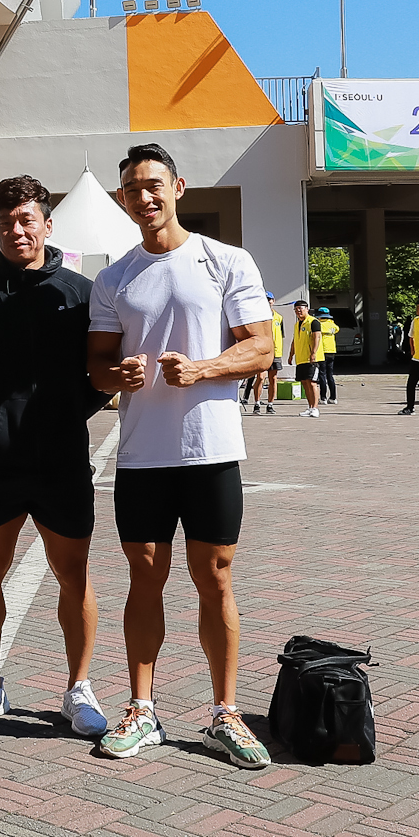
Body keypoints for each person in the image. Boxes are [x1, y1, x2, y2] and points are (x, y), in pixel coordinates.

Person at [85, 143, 275, 770]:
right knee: (145, 578)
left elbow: (262, 349)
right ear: (123, 199)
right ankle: (142, 709)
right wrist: (120, 376)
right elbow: (96, 367)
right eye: (132, 189)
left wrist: (202, 368)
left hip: (212, 451)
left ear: (179, 187)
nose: (144, 197)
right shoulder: (114, 279)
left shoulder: (226, 261)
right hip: (142, 456)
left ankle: (226, 713)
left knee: (215, 576)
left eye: (154, 184)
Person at [0, 175, 111, 736]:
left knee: (74, 576)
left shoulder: (81, 293)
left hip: (61, 462)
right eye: (6, 221)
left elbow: (102, 372)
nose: (16, 230)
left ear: (47, 224)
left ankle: (77, 688)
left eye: (26, 219)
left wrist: (69, 411)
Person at [241, 292, 282, 415]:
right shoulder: (257, 316)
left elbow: (281, 335)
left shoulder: (279, 317)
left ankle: (270, 404)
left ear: (273, 301)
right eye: (265, 299)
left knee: (273, 379)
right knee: (260, 377)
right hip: (262, 351)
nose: (267, 301)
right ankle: (257, 403)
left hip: (276, 351)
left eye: (269, 299)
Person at [287, 299, 320, 416]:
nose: (298, 311)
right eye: (296, 309)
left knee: (312, 383)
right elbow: (294, 341)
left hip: (311, 359)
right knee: (305, 383)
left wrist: (313, 353)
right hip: (300, 358)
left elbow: (317, 338)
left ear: (306, 309)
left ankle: (315, 408)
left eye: (300, 309)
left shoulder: (313, 322)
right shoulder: (297, 325)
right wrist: (291, 355)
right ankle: (310, 407)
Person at [313, 306, 339, 409]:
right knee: (330, 375)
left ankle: (323, 397)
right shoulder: (333, 325)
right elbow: (337, 329)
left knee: (322, 375)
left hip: (322, 351)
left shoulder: (319, 324)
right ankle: (333, 397)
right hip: (331, 351)